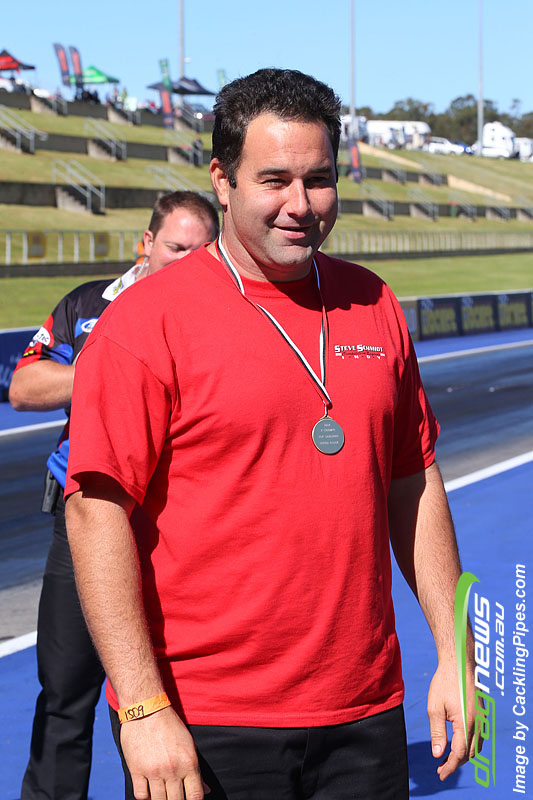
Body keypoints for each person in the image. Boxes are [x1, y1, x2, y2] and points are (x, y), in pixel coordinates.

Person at [65, 69, 476, 800]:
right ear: (221, 180)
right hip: (206, 719)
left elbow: (413, 482)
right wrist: (141, 707)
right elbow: (95, 514)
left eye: (318, 180)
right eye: (275, 180)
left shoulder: (372, 302)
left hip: (363, 711)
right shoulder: (146, 322)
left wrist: (454, 652)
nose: (299, 205)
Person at [9, 191, 219, 800]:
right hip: (87, 517)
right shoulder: (87, 304)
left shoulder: (221, 308)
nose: (187, 262)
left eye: (201, 250)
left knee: (167, 693)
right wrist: (113, 365)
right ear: (145, 244)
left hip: (184, 525)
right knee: (65, 691)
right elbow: (23, 386)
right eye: (176, 247)